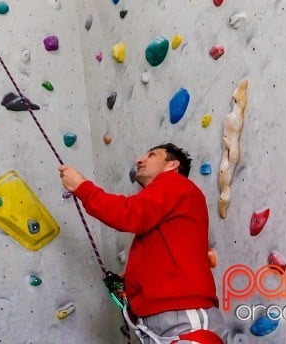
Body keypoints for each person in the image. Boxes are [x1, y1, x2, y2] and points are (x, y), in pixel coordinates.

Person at [59, 144, 226, 344]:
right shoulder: (162, 212)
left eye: (152, 155)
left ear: (172, 165)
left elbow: (128, 214)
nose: (139, 160)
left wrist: (82, 186)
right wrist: (127, 287)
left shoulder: (175, 183)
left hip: (183, 315)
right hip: (164, 321)